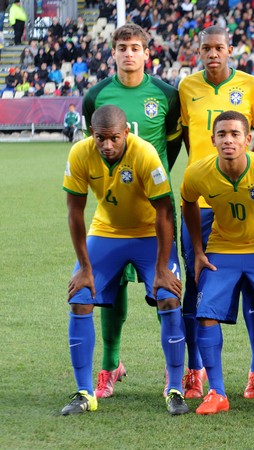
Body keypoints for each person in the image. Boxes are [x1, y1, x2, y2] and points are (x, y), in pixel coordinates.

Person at [60, 105, 188, 416]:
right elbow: (75, 213)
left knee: (169, 298)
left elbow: (164, 213)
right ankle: (84, 393)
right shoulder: (79, 154)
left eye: (114, 138)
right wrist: (86, 268)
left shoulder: (145, 154)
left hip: (150, 234)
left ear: (126, 133)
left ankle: (175, 389)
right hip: (106, 232)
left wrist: (160, 269)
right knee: (80, 298)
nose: (107, 145)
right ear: (92, 134)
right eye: (100, 138)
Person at [82, 24, 183, 400]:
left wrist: (151, 179)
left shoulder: (166, 95)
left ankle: (179, 370)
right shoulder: (96, 96)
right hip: (112, 211)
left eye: (135, 47)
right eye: (122, 47)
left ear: (146, 53)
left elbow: (171, 150)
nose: (128, 53)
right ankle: (110, 364)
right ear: (113, 52)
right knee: (111, 288)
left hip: (156, 211)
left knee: (166, 287)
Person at [180, 110, 254, 415]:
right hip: (222, 249)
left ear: (249, 139)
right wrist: (198, 251)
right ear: (213, 140)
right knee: (205, 315)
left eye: (235, 134)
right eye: (222, 135)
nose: (228, 140)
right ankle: (217, 393)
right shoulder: (197, 173)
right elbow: (188, 203)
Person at [178, 25, 254, 400]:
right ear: (198, 50)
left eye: (219, 47)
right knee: (196, 281)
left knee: (251, 285)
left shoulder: (252, 86)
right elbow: (186, 137)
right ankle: (194, 369)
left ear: (231, 49)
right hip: (203, 199)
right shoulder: (186, 88)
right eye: (206, 47)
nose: (213, 53)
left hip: (245, 198)